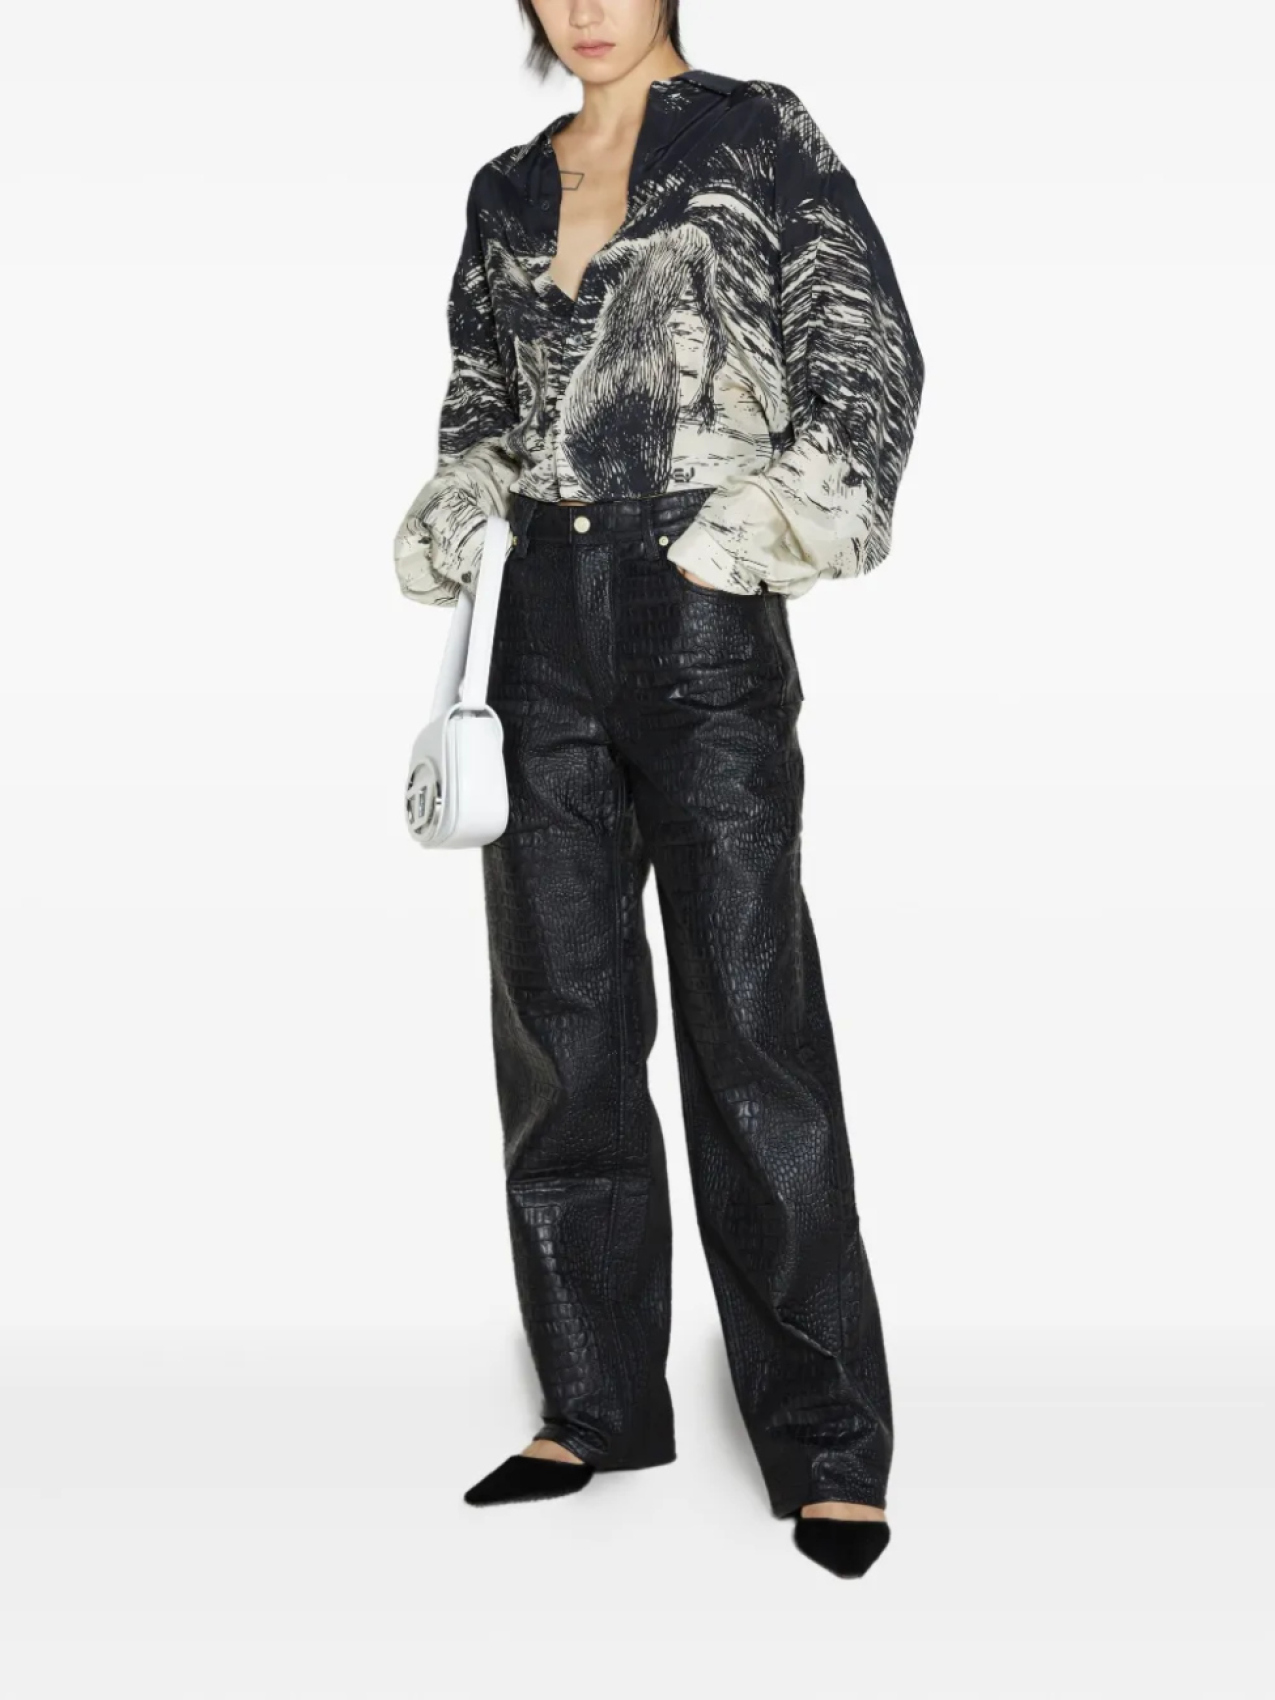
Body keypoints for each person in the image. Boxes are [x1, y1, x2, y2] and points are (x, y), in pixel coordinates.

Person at [392, 0, 924, 1579]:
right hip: (536, 632)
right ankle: (595, 1402)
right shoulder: (507, 184)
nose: (584, 9)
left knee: (752, 1027)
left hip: (704, 616)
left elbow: (866, 357)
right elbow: (481, 406)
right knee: (561, 1028)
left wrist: (742, 537)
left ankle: (828, 1445)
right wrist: (462, 506)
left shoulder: (755, 132)